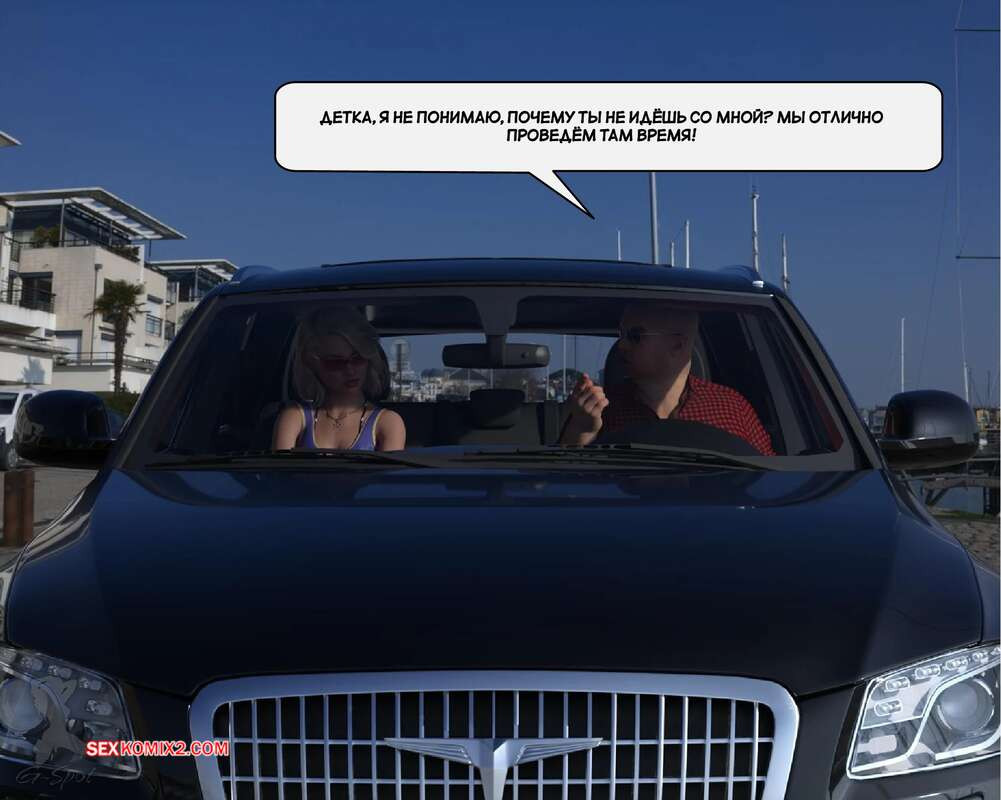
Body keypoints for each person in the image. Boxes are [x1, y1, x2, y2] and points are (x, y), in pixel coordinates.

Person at [559, 303, 775, 455]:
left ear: (677, 345)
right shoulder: (600, 410)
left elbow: (769, 478)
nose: (621, 345)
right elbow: (566, 483)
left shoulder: (732, 409)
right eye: (621, 334)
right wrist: (582, 430)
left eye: (635, 336)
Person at [272, 307, 406, 451]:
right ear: (312, 364)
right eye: (336, 362)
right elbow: (278, 466)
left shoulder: (387, 422)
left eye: (358, 358)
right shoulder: (294, 417)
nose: (350, 370)